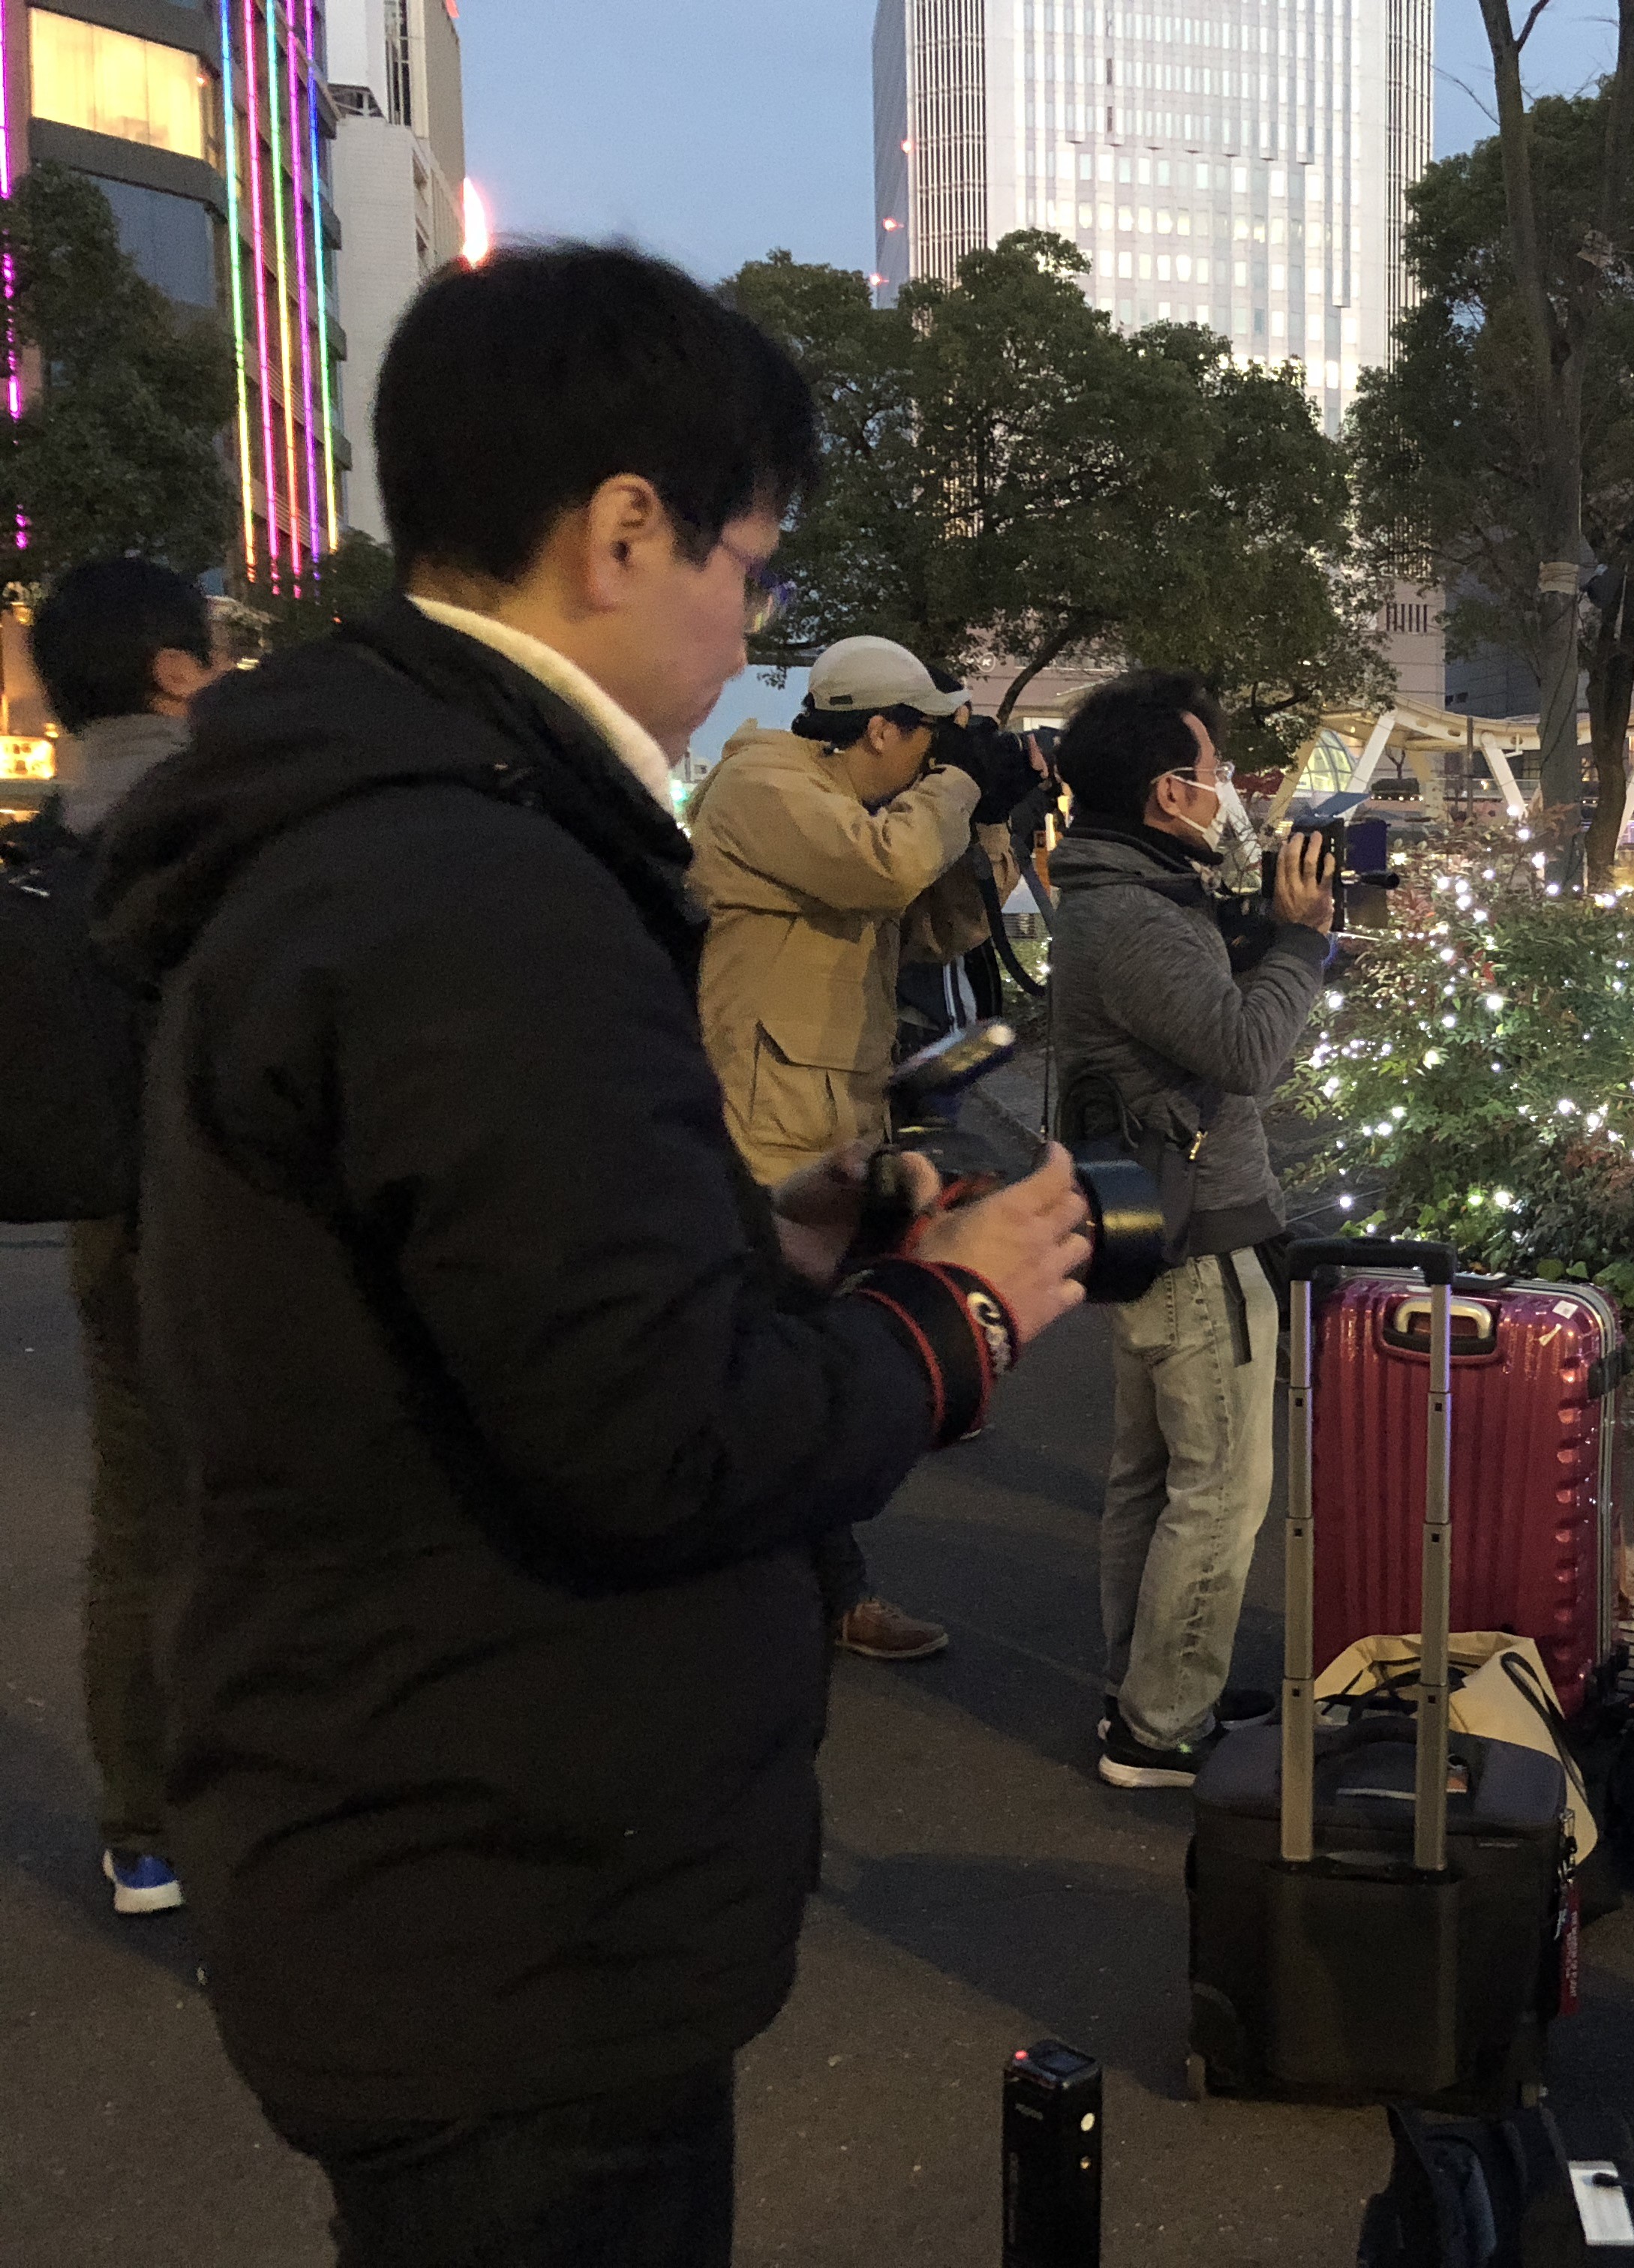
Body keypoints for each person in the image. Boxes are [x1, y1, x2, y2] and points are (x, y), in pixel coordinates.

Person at [89, 243, 1094, 2267]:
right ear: (626, 526)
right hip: (509, 1892)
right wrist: (957, 1311)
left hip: (422, 1840)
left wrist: (782, 1250)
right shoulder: (476, 885)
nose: (749, 623)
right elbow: (660, 1441)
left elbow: (498, 1317)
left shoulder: (375, 826)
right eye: (747, 562)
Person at [689, 632, 1026, 1663]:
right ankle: (821, 1597)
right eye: (925, 732)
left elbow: (933, 929)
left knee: (790, 1371)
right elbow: (878, 872)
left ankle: (799, 1589)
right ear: (879, 727)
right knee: (779, 1368)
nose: (932, 754)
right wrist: (962, 786)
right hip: (760, 1133)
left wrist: (995, 816)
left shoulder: (860, 815)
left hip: (828, 1122)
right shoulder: (763, 784)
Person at [1048, 670, 1335, 1789]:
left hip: (1152, 1222)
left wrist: (1264, 926)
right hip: (1198, 1235)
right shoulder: (1137, 919)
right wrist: (1301, 941)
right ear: (1169, 793)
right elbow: (1247, 1054)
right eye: (1216, 774)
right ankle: (1164, 1725)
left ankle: (1144, 1691)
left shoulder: (1129, 896)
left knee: (1153, 1476)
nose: (1231, 792)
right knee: (1217, 1490)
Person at [29, 558, 219, 1917]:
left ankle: (141, 1827)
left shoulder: (52, 834)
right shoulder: (224, 819)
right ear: (171, 669)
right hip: (241, 1213)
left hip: (106, 1206)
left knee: (134, 1517)